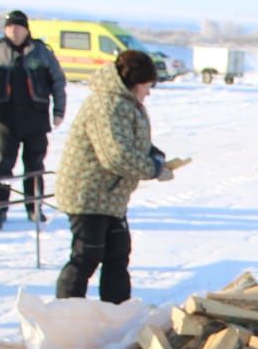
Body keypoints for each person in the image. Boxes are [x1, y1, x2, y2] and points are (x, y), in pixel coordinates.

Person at [52, 50, 173, 303]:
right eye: (146, 86)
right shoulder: (108, 105)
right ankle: (65, 315)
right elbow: (115, 155)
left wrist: (155, 156)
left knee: (118, 254)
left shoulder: (125, 103)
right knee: (87, 256)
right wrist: (152, 168)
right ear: (133, 82)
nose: (148, 92)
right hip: (88, 193)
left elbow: (134, 144)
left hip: (110, 196)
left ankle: (118, 313)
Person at [0, 10, 67, 229]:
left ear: (26, 29)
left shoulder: (41, 52)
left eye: (18, 27)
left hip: (36, 118)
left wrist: (59, 111)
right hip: (6, 118)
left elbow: (57, 82)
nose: (13, 31)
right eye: (9, 27)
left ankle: (34, 207)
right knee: (2, 166)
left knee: (34, 165)